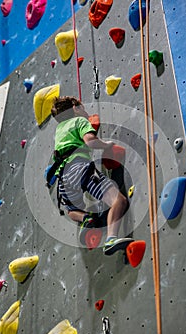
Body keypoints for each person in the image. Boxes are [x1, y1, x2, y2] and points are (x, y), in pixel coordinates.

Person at [51, 96, 132, 255]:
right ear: (75, 108)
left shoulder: (59, 130)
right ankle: (111, 239)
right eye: (83, 108)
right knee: (119, 201)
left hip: (64, 177)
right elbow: (90, 141)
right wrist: (106, 144)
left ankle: (85, 219)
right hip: (79, 168)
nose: (86, 112)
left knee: (71, 211)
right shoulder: (80, 121)